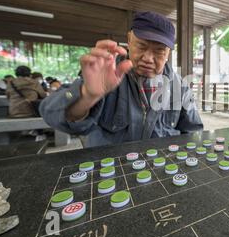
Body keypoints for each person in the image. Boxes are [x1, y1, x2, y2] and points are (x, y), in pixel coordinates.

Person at [40, 11, 203, 148]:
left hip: (160, 170)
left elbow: (194, 132)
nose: (148, 58)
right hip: (111, 171)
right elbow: (50, 113)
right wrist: (87, 96)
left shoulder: (179, 87)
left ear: (168, 53)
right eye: (141, 46)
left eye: (159, 51)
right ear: (129, 39)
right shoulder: (106, 74)